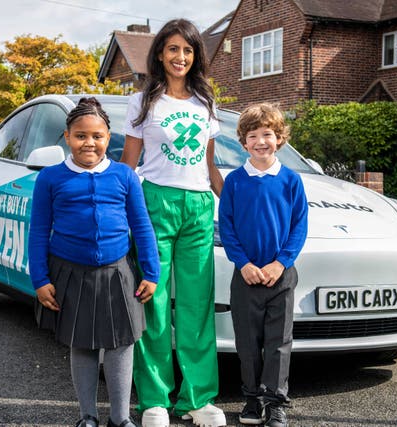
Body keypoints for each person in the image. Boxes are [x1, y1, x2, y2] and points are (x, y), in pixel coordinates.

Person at [28, 97, 160, 427]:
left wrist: (152, 271)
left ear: (107, 137)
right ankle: (87, 416)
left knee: (120, 344)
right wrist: (40, 279)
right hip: (70, 272)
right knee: (83, 344)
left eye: (97, 136)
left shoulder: (124, 177)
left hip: (118, 272)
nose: (90, 143)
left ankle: (120, 417)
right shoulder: (50, 178)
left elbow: (142, 226)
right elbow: (39, 230)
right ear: (67, 137)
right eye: (81, 136)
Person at [121, 18, 226, 427]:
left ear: (196, 55)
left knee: (198, 305)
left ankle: (198, 399)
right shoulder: (143, 101)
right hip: (155, 203)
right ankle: (155, 400)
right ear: (160, 54)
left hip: (199, 204)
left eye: (188, 50)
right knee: (155, 302)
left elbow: (211, 165)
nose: (180, 57)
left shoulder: (205, 100)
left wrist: (231, 206)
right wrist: (121, 216)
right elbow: (128, 167)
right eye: (173, 49)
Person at [218, 103, 308, 427]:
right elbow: (226, 227)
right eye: (253, 135)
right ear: (243, 142)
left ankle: (276, 402)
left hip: (280, 277)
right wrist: (242, 263)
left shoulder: (291, 181)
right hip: (245, 277)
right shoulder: (235, 182)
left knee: (278, 343)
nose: (260, 141)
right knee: (248, 343)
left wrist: (280, 263)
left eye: (267, 134)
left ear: (279, 138)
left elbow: (299, 226)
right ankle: (252, 399)